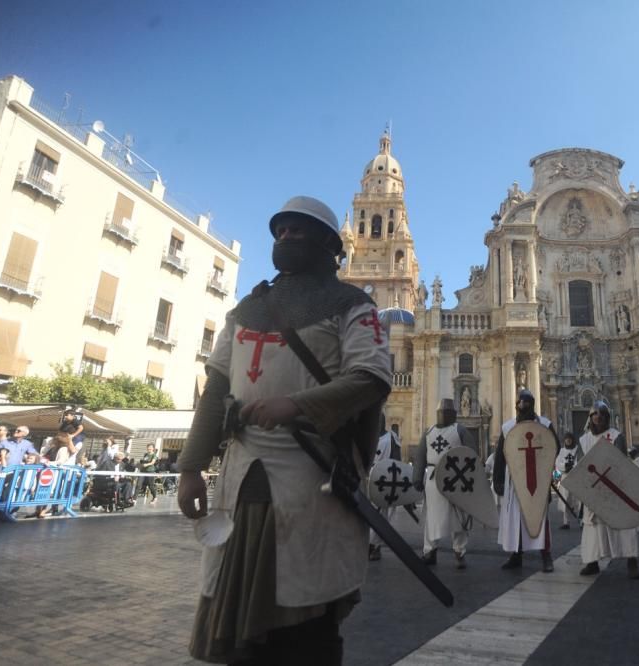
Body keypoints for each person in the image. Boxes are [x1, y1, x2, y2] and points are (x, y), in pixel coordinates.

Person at [176, 195, 391, 664]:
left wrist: (295, 406)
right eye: (281, 231)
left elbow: (371, 378)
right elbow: (215, 390)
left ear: (328, 245)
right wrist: (191, 466)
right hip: (241, 480)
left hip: (310, 480)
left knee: (305, 620)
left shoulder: (354, 306)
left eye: (298, 230)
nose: (286, 237)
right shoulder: (246, 309)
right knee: (237, 617)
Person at [492, 389, 558, 573]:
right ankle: (516, 554)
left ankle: (546, 555)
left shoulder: (545, 425)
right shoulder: (508, 428)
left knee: (540, 519)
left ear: (532, 405)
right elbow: (500, 457)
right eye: (521, 405)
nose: (523, 408)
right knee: (515, 520)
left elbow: (555, 447)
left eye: (526, 405)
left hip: (538, 480)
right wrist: (498, 480)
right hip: (514, 481)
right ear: (516, 406)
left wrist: (545, 468)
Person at [577, 401, 639, 579]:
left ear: (607, 417)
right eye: (594, 414)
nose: (598, 417)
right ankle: (592, 562)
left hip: (615, 488)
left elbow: (620, 462)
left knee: (624, 526)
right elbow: (581, 466)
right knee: (592, 528)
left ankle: (632, 561)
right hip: (594, 490)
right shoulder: (584, 440)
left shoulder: (616, 436)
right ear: (590, 418)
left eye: (601, 414)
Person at [412, 399, 475, 569]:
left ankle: (459, 552)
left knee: (459, 516)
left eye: (448, 412)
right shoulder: (429, 432)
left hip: (457, 480)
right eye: (442, 412)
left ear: (453, 414)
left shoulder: (460, 430)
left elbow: (471, 455)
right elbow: (420, 457)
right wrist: (417, 478)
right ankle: (429, 551)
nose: (444, 415)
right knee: (432, 517)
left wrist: (471, 478)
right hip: (433, 481)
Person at [368, 413, 402, 562]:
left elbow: (397, 461)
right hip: (366, 480)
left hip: (384, 481)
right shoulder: (366, 437)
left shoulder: (391, 438)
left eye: (380, 420)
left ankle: (375, 546)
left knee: (381, 515)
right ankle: (367, 544)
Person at [554, 432, 581, 529]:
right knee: (565, 498)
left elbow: (579, 461)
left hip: (575, 477)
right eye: (566, 439)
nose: (568, 440)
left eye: (570, 439)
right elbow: (557, 463)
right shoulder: (561, 451)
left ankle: (581, 520)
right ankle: (566, 522)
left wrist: (573, 467)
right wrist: (565, 466)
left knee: (578, 499)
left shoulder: (577, 449)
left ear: (572, 440)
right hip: (565, 477)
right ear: (564, 440)